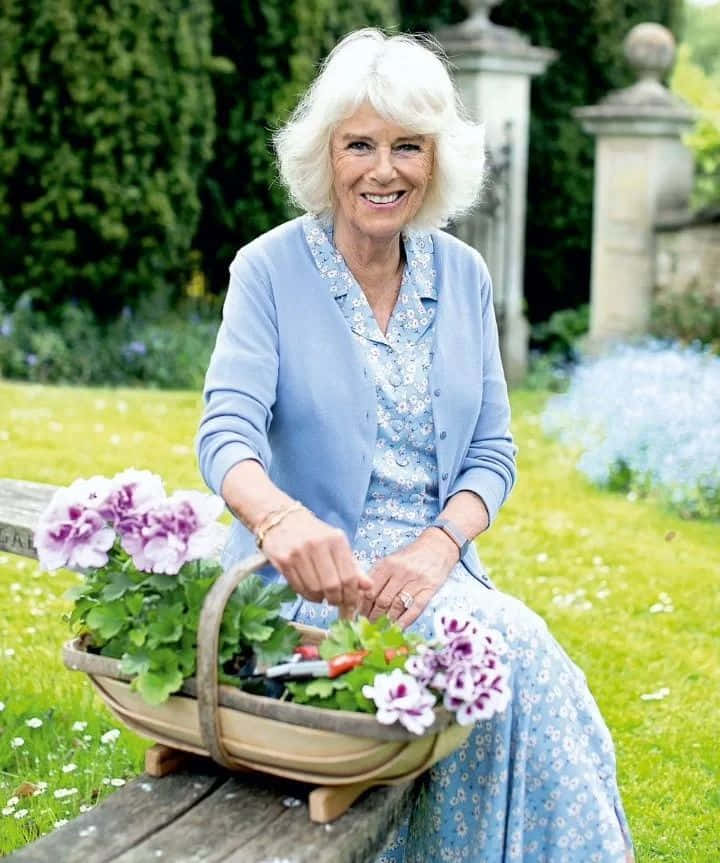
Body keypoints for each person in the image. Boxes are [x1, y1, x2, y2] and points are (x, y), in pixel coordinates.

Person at [197, 28, 634, 863]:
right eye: (359, 144)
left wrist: (439, 546)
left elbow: (492, 454)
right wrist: (282, 521)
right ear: (325, 155)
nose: (382, 169)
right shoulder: (268, 270)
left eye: (408, 146)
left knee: (521, 666)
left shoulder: (463, 275)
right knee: (519, 656)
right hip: (309, 588)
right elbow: (226, 431)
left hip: (434, 579)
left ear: (437, 162)